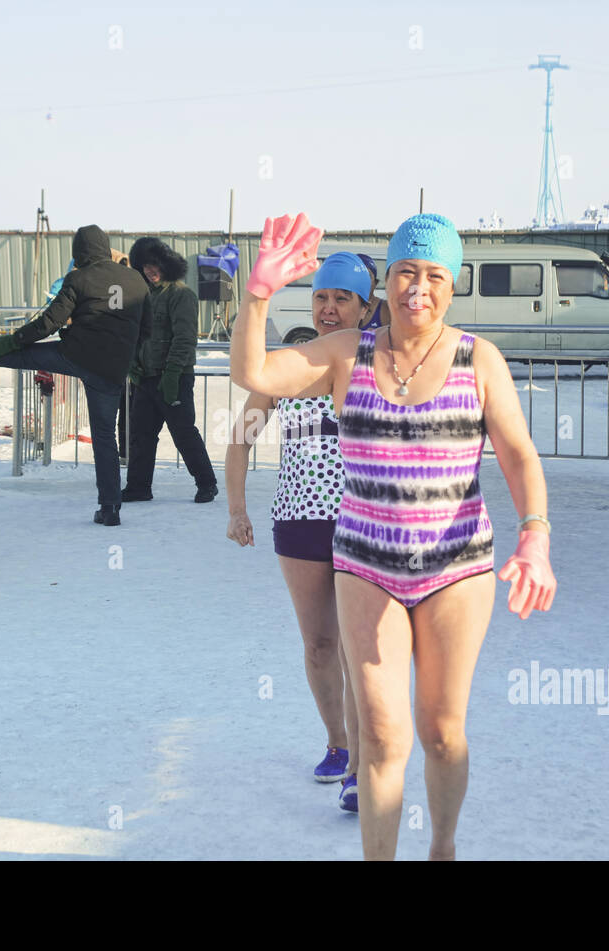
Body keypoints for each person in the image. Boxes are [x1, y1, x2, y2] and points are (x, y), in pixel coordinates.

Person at [231, 213, 556, 860]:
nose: (419, 287)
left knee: (441, 731)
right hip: (366, 564)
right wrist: (258, 295)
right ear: (391, 278)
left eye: (435, 275)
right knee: (382, 736)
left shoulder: (478, 359)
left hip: (456, 569)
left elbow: (518, 453)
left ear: (453, 284)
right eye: (408, 270)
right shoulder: (347, 351)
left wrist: (535, 535)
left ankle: (442, 846)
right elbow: (256, 377)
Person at [225, 253, 374, 813]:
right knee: (320, 645)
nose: (329, 308)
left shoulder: (375, 359)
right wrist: (236, 507)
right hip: (299, 519)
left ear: (365, 306)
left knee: (362, 648)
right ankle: (338, 743)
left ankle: (361, 766)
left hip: (364, 521)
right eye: (320, 297)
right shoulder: (289, 366)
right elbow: (241, 437)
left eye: (342, 298)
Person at [0, 225, 151, 526]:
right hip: (113, 370)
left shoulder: (79, 277)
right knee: (104, 438)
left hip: (77, 356)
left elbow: (49, 322)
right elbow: (147, 328)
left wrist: (12, 339)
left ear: (79, 252)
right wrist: (128, 357)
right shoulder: (135, 279)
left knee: (16, 356)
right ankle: (110, 507)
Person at [118, 238, 219, 504]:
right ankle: (139, 487)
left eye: (154, 266)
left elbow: (185, 338)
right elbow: (135, 335)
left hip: (174, 378)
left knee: (184, 433)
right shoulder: (143, 297)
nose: (150, 272)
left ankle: (207, 483)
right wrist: (133, 365)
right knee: (140, 435)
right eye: (144, 267)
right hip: (146, 378)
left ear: (166, 265)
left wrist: (173, 374)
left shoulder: (181, 295)